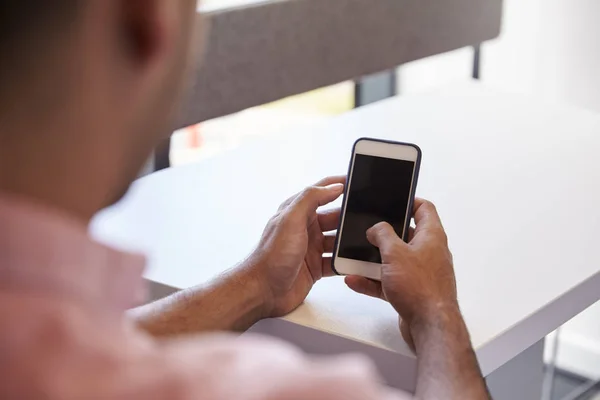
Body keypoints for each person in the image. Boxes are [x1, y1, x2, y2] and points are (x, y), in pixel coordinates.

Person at [0, 1, 490, 399]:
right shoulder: (274, 389)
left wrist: (258, 285)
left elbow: (91, 348)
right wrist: (436, 313)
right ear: (147, 16)